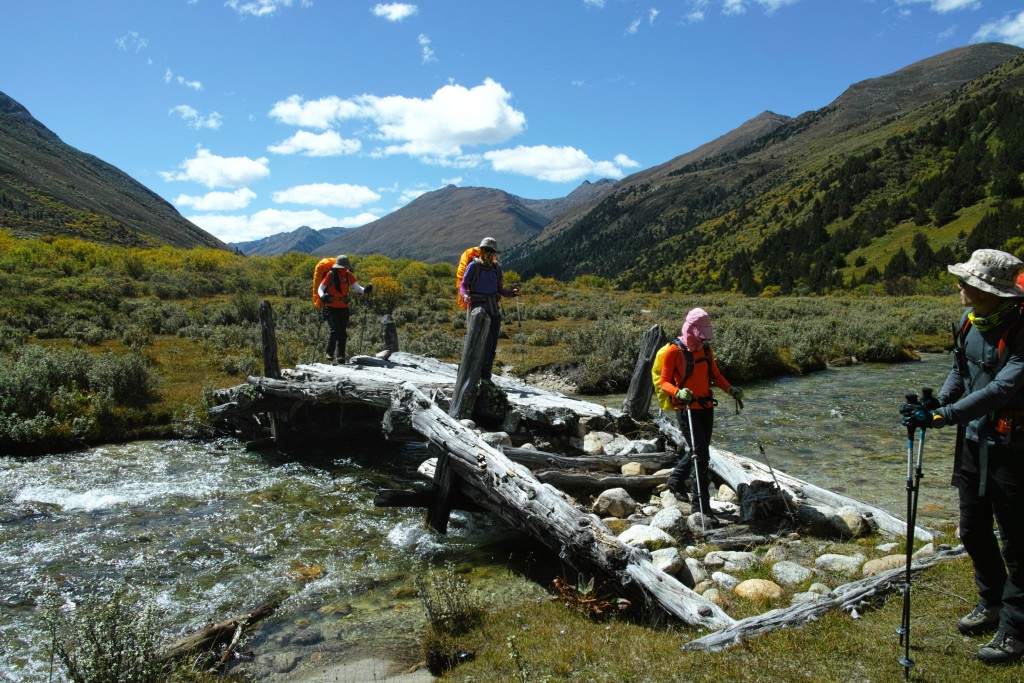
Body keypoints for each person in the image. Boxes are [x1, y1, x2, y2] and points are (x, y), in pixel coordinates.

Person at [905, 248, 1024, 664]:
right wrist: (937, 401)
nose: (960, 286)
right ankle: (991, 602)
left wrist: (944, 415)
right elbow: (960, 369)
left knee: (1017, 542)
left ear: (987, 290)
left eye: (967, 282)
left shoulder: (1021, 330)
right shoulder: (969, 321)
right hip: (973, 443)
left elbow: (1000, 391)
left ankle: (1015, 628)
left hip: (1014, 450)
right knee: (972, 530)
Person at [659, 308, 743, 517]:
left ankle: (676, 480)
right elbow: (664, 383)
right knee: (701, 455)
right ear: (692, 329)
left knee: (699, 450)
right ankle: (701, 508)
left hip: (705, 407)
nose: (703, 339)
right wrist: (678, 392)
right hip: (686, 408)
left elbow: (714, 375)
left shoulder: (705, 350)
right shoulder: (673, 351)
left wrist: (729, 388)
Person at [459, 237, 519, 382]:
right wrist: (465, 295)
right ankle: (474, 372)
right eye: (486, 250)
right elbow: (463, 284)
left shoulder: (496, 268)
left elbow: (499, 289)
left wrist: (511, 293)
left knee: (492, 343)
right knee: (482, 341)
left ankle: (486, 374)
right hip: (478, 309)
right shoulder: (473, 266)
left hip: (493, 309)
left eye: (491, 251)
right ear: (481, 251)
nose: (488, 253)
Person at [317, 255, 372, 364]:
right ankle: (329, 352)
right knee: (335, 330)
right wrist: (323, 296)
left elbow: (357, 287)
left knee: (342, 332)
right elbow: (320, 288)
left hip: (344, 308)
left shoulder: (348, 275)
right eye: (343, 267)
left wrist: (365, 290)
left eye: (345, 267)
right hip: (330, 308)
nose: (344, 268)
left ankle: (341, 356)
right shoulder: (330, 275)